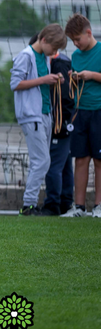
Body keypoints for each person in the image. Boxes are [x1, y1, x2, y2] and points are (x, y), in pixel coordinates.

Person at [11, 24, 66, 216]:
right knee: (42, 160)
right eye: (54, 48)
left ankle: (30, 203)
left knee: (42, 160)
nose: (55, 52)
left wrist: (54, 78)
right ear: (43, 40)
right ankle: (28, 204)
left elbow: (41, 79)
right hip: (31, 115)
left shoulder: (45, 57)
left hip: (45, 113)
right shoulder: (26, 56)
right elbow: (15, 83)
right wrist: (44, 80)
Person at [62, 14, 101, 218]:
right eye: (73, 41)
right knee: (80, 158)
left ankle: (98, 206)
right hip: (81, 112)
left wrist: (91, 75)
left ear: (88, 32)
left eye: (78, 39)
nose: (76, 44)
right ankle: (78, 207)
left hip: (99, 111)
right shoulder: (75, 56)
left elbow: (94, 77)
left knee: (99, 159)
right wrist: (73, 79)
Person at [43, 40, 75, 215]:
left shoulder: (59, 64)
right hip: (65, 121)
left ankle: (53, 203)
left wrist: (60, 122)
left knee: (54, 164)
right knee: (64, 164)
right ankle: (65, 201)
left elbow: (63, 96)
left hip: (60, 123)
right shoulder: (61, 61)